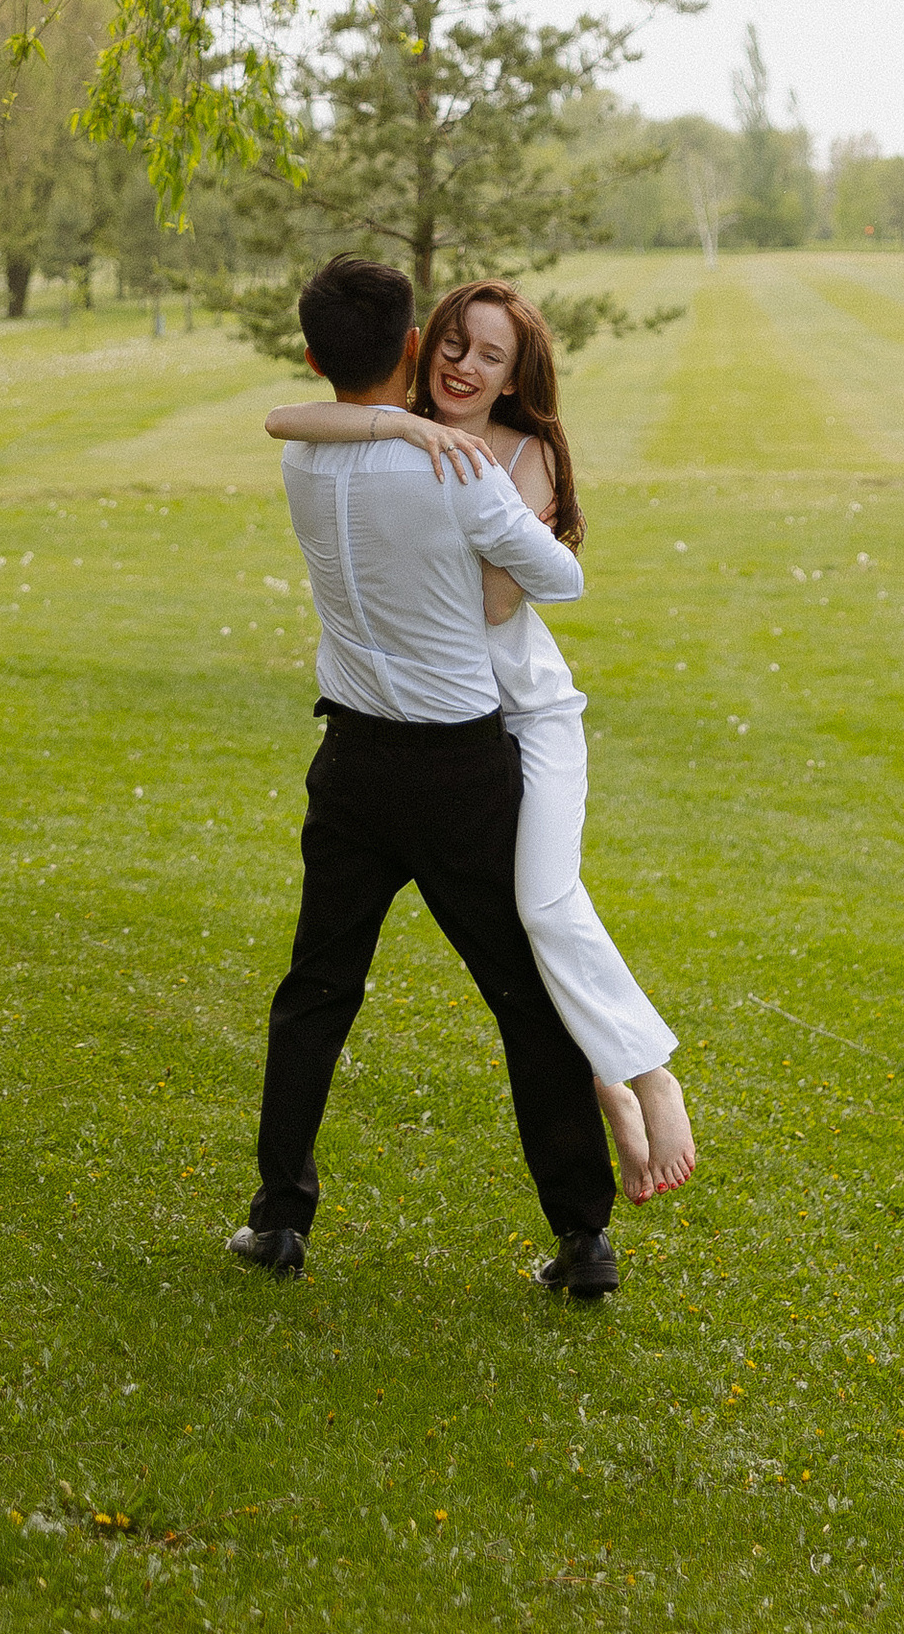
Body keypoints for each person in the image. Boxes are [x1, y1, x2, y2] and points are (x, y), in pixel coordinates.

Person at [229, 253, 621, 1295]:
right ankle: (583, 1237)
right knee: (523, 1001)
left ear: (315, 356)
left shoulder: (304, 462)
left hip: (352, 763)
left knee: (316, 989)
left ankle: (278, 1218)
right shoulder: (462, 475)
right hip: (457, 772)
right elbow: (562, 580)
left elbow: (295, 419)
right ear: (412, 347)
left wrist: (402, 424)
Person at [269, 277, 696, 1204]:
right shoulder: (418, 444)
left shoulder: (518, 455)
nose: (466, 366)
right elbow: (286, 417)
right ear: (422, 350)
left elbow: (507, 599)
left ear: (515, 376)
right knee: (509, 962)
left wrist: (438, 513)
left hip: (522, 722)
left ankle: (641, 1074)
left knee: (541, 915)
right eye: (455, 346)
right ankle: (609, 1094)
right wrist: (405, 433)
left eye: (490, 356)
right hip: (435, 735)